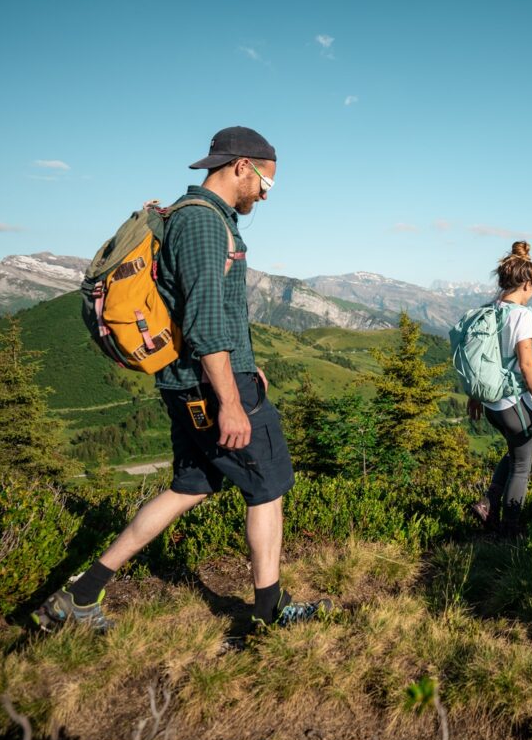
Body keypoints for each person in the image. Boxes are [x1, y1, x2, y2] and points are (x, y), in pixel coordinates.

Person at [33, 126, 328, 633]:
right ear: (240, 167)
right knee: (269, 487)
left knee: (191, 485)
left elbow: (206, 312)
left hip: (189, 381)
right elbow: (205, 319)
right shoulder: (204, 223)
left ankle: (78, 596)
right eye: (267, 184)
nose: (265, 194)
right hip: (211, 386)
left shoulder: (186, 217)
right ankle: (267, 614)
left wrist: (244, 358)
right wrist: (230, 400)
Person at [468, 241, 532, 537]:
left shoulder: (488, 310)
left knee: (513, 453)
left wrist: (475, 395)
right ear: (526, 284)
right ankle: (509, 530)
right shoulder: (522, 316)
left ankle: (488, 504)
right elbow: (526, 366)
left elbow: (482, 355)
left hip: (491, 405)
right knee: (522, 465)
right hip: (511, 403)